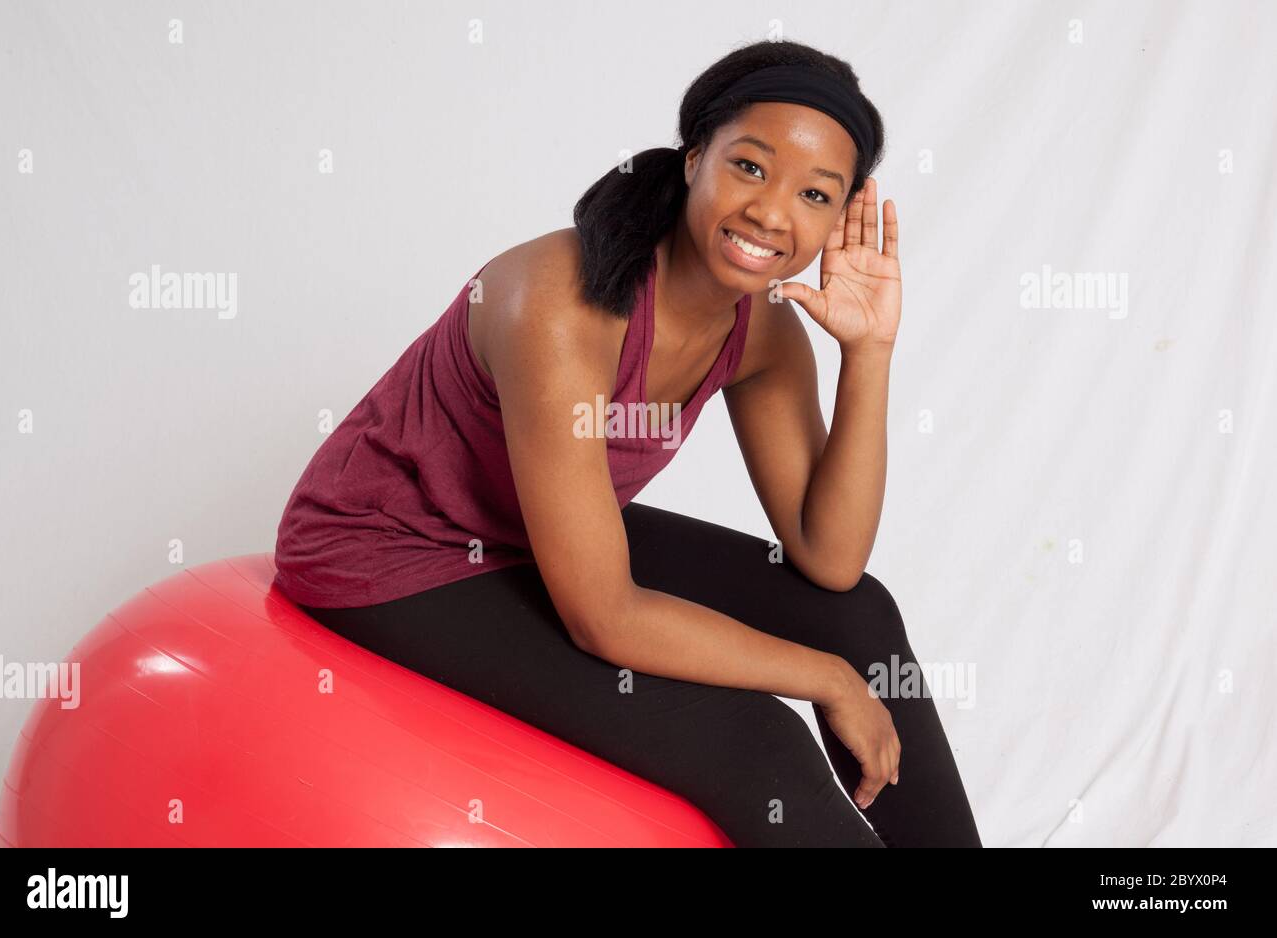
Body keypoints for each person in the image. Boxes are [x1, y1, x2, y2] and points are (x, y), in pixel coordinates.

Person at [272, 39, 983, 847]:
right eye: (750, 167)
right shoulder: (557, 305)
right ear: (693, 160)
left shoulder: (765, 333)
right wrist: (825, 681)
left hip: (530, 531)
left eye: (815, 194)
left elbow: (830, 559)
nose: (772, 213)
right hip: (392, 550)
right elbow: (604, 618)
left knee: (861, 617)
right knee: (759, 744)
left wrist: (869, 352)